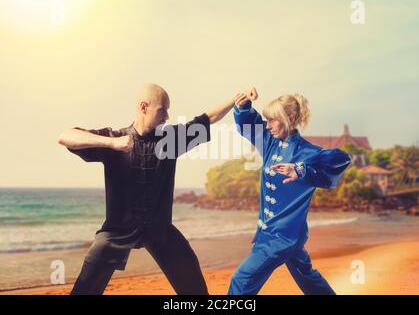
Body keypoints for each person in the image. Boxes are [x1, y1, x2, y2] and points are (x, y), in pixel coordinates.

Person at [58, 83, 242, 295]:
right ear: (144, 107)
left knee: (195, 289)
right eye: (162, 109)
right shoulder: (114, 138)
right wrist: (111, 143)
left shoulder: (171, 141)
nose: (167, 116)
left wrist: (235, 99)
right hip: (117, 232)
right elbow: (65, 136)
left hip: (160, 230)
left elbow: (207, 118)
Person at [228, 90, 352, 295]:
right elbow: (251, 124)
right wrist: (244, 107)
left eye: (273, 120)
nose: (268, 125)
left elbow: (343, 159)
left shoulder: (308, 152)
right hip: (277, 233)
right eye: (267, 120)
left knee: (242, 279)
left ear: (291, 119)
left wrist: (302, 170)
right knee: (308, 277)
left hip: (281, 237)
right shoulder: (270, 142)